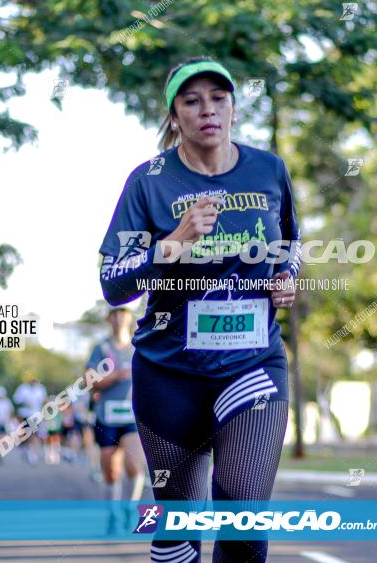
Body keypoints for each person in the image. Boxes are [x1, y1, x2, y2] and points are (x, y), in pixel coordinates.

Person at [98, 57, 300, 562]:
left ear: (233, 107)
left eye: (218, 98)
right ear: (174, 117)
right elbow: (113, 283)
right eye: (191, 100)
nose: (207, 109)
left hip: (252, 362)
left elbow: (293, 242)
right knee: (179, 528)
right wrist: (173, 244)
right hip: (170, 371)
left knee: (243, 510)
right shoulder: (148, 181)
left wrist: (285, 277)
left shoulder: (269, 169)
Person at [85, 302, 148, 532]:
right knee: (111, 470)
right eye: (115, 313)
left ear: (130, 318)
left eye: (124, 313)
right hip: (107, 417)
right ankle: (113, 513)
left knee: (134, 464)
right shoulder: (101, 349)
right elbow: (88, 380)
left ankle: (130, 509)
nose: (120, 317)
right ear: (109, 319)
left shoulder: (139, 345)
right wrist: (116, 376)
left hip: (132, 417)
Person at [12, 375, 47, 465]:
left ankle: (33, 454)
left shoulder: (41, 389)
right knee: (26, 434)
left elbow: (44, 402)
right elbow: (16, 400)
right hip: (24, 414)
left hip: (35, 415)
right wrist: (24, 401)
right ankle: (26, 449)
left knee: (34, 434)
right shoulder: (23, 388)